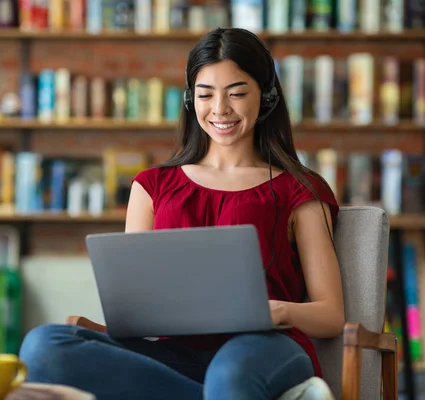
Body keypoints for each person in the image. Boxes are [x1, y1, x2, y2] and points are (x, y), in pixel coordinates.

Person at [19, 27, 344, 400]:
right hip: (173, 353)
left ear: (266, 98)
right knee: (44, 346)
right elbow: (136, 306)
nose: (220, 109)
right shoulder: (151, 187)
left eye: (237, 93)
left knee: (231, 375)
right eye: (206, 95)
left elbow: (331, 314)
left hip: (266, 346)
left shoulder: (300, 188)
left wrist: (278, 312)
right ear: (191, 100)